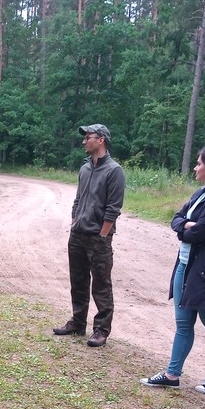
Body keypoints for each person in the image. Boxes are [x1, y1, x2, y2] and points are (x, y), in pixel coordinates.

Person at [141, 144, 205, 393]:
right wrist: (186, 224)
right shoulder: (203, 192)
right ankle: (172, 374)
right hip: (186, 266)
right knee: (184, 323)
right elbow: (177, 218)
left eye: (199, 164)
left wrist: (187, 228)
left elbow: (199, 233)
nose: (195, 168)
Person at [52, 124, 126, 348]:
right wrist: (75, 221)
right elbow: (77, 200)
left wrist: (103, 235)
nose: (84, 142)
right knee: (78, 281)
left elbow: (113, 208)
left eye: (88, 138)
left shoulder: (114, 171)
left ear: (101, 140)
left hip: (98, 238)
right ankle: (77, 322)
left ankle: (101, 330)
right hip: (78, 234)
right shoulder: (84, 169)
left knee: (102, 284)